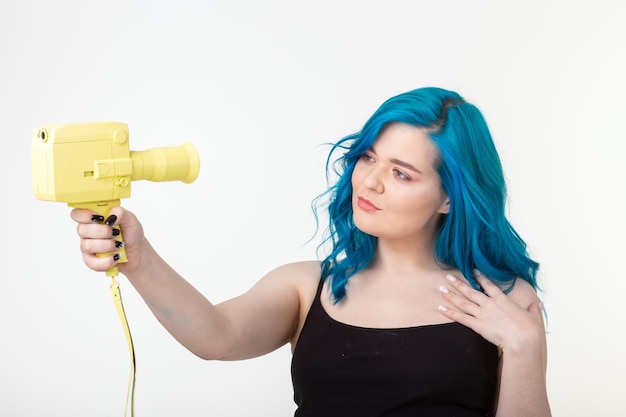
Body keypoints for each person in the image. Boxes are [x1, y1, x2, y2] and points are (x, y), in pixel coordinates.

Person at [71, 87, 551, 417]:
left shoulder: (503, 300)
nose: (370, 181)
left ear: (449, 196)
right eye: (368, 157)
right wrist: (138, 257)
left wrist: (525, 349)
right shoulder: (306, 287)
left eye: (402, 172)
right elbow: (215, 337)